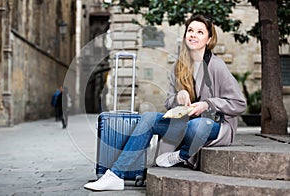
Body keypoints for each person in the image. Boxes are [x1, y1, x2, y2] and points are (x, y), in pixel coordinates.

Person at [84, 14, 247, 191]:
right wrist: (178, 97)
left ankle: (181, 155)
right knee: (148, 118)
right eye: (190, 30)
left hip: (214, 125)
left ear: (208, 39)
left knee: (198, 126)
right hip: (187, 122)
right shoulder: (179, 66)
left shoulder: (217, 66)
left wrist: (207, 104)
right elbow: (169, 102)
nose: (193, 35)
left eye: (200, 32)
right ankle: (116, 174)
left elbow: (239, 103)